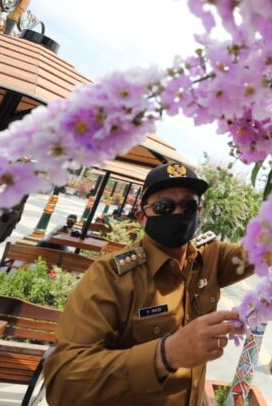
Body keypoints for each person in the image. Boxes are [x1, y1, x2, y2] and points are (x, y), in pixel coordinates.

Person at [44, 162, 254, 406]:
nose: (178, 213)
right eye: (164, 206)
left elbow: (264, 248)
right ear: (142, 217)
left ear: (199, 209)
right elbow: (63, 383)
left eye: (188, 205)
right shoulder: (111, 276)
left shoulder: (211, 257)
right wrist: (165, 355)